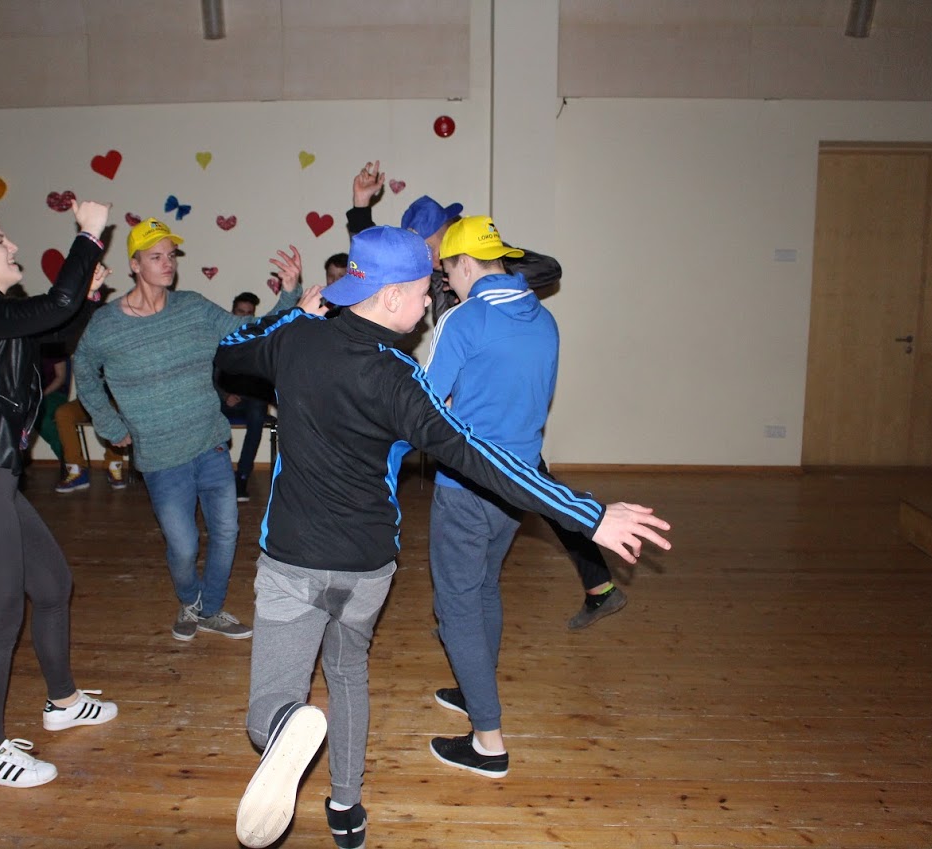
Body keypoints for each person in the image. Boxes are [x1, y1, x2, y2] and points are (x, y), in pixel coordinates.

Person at [217, 226, 671, 849]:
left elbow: (228, 352)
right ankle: (346, 807)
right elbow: (479, 454)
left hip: (293, 560)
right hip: (367, 568)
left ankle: (286, 723)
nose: (431, 300)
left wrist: (292, 312)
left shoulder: (294, 340)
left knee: (268, 707)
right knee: (348, 674)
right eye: (421, 290)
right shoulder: (400, 378)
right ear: (392, 297)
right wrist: (586, 513)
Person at [346, 160, 621, 629]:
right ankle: (593, 586)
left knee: (536, 490)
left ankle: (588, 584)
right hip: (468, 391)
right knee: (536, 489)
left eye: (430, 243)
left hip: (495, 393)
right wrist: (359, 211)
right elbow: (377, 266)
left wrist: (490, 266)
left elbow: (548, 268)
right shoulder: (430, 276)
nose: (427, 254)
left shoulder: (469, 263)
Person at [0, 201, 118, 789]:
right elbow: (55, 306)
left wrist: (87, 296)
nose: (13, 248)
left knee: (53, 586)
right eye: (0, 240)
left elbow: (56, 331)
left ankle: (63, 701)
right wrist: (88, 234)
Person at [72, 218, 301, 642]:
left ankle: (210, 610)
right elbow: (83, 371)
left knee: (227, 532)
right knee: (184, 546)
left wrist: (288, 294)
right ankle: (189, 600)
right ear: (135, 265)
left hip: (210, 444)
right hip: (160, 457)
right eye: (156, 256)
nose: (168, 263)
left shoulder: (193, 307)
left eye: (171, 255)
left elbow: (250, 332)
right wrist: (108, 423)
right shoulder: (107, 324)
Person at [422, 214, 560, 777]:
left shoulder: (464, 319)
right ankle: (473, 686)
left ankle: (487, 742)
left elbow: (425, 403)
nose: (446, 283)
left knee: (455, 603)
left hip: (466, 485)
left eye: (447, 272)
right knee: (483, 588)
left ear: (464, 264)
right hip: (518, 484)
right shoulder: (544, 318)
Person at [218, 292, 274, 502]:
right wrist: (225, 395)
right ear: (231, 312)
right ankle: (221, 476)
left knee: (257, 412)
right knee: (205, 411)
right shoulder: (219, 336)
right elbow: (207, 376)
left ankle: (242, 476)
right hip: (220, 400)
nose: (244, 317)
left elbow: (265, 376)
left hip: (251, 401)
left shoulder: (258, 339)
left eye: (249, 313)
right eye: (240, 312)